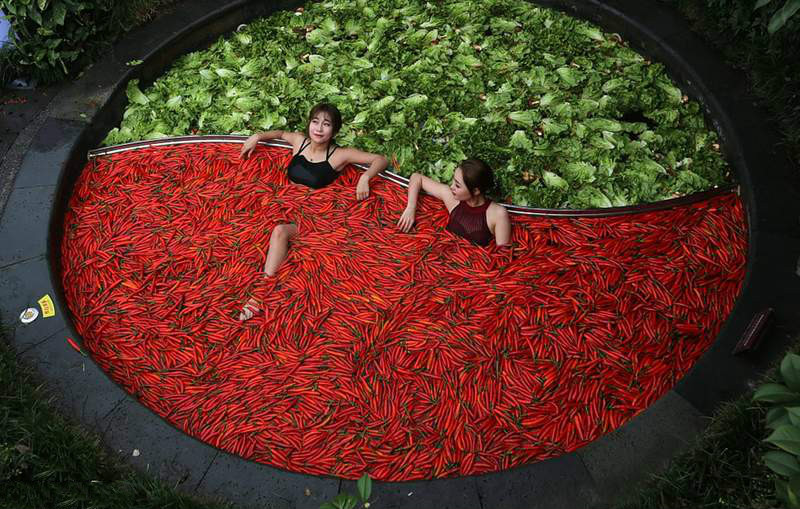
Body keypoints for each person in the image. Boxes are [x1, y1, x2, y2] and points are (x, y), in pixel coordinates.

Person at [238, 103, 388, 321]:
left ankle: (259, 295)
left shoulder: (339, 155)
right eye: (315, 122)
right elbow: (281, 133)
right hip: (281, 203)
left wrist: (365, 177)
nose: (319, 128)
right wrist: (257, 136)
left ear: (334, 131)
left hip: (312, 215)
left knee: (279, 231)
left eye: (326, 124)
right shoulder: (299, 142)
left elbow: (380, 159)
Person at [397, 158, 511, 246]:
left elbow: (502, 256)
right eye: (453, 181)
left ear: (476, 191)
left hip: (471, 271)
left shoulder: (498, 214)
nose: (451, 187)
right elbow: (417, 177)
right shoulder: (453, 199)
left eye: (457, 185)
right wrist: (411, 207)